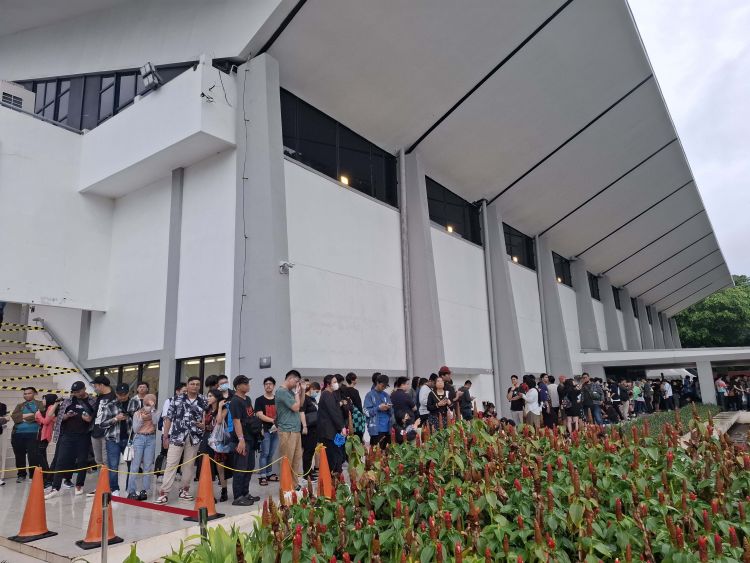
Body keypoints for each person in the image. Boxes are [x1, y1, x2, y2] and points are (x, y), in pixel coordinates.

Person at [156, 376, 207, 504]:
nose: (195, 386)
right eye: (192, 384)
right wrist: (165, 436)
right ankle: (164, 493)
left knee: (189, 466)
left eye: (197, 384)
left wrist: (204, 425)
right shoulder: (175, 399)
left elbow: (206, 416)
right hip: (177, 436)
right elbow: (168, 419)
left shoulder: (203, 400)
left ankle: (184, 490)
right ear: (187, 385)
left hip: (194, 437)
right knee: (171, 464)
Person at [45, 382, 96, 498]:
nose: (77, 394)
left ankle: (79, 484)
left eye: (79, 391)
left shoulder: (93, 401)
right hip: (67, 435)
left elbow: (96, 418)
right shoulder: (68, 401)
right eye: (74, 392)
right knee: (60, 461)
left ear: (84, 389)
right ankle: (55, 487)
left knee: (82, 461)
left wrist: (89, 419)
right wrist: (67, 416)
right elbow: (58, 418)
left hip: (84, 436)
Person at [228, 375, 261, 506]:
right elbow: (236, 421)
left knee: (249, 466)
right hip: (242, 440)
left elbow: (250, 417)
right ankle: (238, 496)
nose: (248, 385)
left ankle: (245, 493)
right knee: (240, 468)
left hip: (251, 438)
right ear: (238, 386)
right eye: (245, 383)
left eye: (248, 383)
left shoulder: (247, 399)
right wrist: (240, 440)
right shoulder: (235, 401)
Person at [95, 382, 132, 495]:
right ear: (116, 393)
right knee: (113, 465)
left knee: (131, 464)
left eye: (124, 394)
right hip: (112, 439)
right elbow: (102, 424)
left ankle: (129, 488)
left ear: (128, 393)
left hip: (129, 440)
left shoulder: (134, 403)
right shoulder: (110, 405)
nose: (122, 396)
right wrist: (115, 418)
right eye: (120, 394)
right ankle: (114, 488)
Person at [275, 370, 305, 488]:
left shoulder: (289, 392)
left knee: (296, 460)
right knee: (287, 460)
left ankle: (294, 484)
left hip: (295, 430)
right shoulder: (282, 392)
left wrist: (301, 392)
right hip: (287, 431)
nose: (296, 384)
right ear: (290, 379)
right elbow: (296, 407)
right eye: (296, 382)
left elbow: (301, 404)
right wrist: (297, 393)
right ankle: (286, 486)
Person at [127, 394, 159, 500]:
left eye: (152, 402)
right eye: (147, 403)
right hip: (139, 438)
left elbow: (155, 422)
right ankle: (131, 491)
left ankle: (144, 490)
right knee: (135, 466)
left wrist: (152, 411)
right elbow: (135, 429)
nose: (149, 405)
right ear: (144, 403)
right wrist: (142, 418)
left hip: (151, 438)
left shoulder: (156, 412)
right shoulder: (137, 413)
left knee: (148, 466)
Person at [200, 389, 229, 503]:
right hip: (207, 438)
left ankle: (224, 490)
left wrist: (220, 407)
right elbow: (204, 424)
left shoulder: (224, 409)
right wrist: (200, 425)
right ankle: (209, 493)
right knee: (207, 467)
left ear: (217, 397)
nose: (208, 398)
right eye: (208, 396)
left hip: (218, 439)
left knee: (220, 467)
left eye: (210, 396)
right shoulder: (206, 410)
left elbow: (219, 421)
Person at [10, 387, 43, 482]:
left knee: (33, 456)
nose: (26, 395)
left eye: (29, 393)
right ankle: (21, 474)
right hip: (17, 434)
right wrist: (30, 415)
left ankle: (33, 475)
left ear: (35, 393)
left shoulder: (40, 404)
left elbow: (40, 415)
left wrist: (24, 417)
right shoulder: (20, 405)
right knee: (19, 455)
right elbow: (14, 417)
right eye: (25, 393)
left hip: (33, 433)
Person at [317, 374, 346, 474]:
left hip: (333, 431)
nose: (336, 384)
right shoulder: (326, 394)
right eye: (334, 382)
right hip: (328, 432)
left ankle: (336, 476)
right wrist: (341, 426)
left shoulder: (331, 394)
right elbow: (333, 412)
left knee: (337, 454)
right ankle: (331, 478)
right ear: (328, 384)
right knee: (332, 456)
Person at [156, 382, 186, 477]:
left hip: (181, 433)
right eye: (183, 391)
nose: (185, 394)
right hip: (169, 432)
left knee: (180, 453)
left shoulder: (188, 403)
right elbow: (166, 417)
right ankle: (160, 473)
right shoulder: (169, 401)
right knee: (165, 452)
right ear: (177, 391)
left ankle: (177, 471)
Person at [255, 377, 279, 487]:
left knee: (271, 453)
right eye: (266, 384)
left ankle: (269, 474)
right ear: (264, 386)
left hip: (276, 430)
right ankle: (263, 475)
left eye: (270, 384)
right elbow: (260, 415)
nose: (268, 385)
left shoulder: (277, 399)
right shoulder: (259, 400)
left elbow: (282, 413)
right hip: (264, 430)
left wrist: (278, 423)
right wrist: (273, 421)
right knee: (264, 453)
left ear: (274, 386)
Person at [35, 393, 57, 490]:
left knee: (39, 455)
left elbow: (45, 421)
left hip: (45, 436)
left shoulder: (51, 407)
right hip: (41, 434)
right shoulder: (48, 408)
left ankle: (48, 477)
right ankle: (46, 478)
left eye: (44, 399)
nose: (42, 401)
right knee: (42, 455)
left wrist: (38, 415)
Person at [90, 376, 113, 471]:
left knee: (106, 460)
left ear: (102, 385)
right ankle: (101, 483)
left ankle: (107, 484)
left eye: (96, 386)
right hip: (95, 432)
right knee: (98, 460)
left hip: (107, 433)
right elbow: (96, 414)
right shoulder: (99, 397)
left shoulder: (114, 397)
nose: (95, 388)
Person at [364, 373, 393, 448]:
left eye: (385, 386)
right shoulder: (370, 395)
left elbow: (392, 412)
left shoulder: (386, 395)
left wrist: (389, 408)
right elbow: (366, 412)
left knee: (386, 452)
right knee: (375, 454)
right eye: (382, 386)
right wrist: (378, 408)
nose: (384, 388)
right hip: (375, 429)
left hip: (387, 428)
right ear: (377, 383)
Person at [301, 382, 320, 481]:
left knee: (312, 450)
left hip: (314, 428)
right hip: (308, 428)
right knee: (308, 451)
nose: (316, 393)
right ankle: (306, 473)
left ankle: (310, 470)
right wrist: (304, 426)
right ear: (311, 388)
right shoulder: (305, 398)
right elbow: (302, 412)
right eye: (316, 391)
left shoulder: (313, 399)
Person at [343, 372, 365, 441]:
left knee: (348, 437)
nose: (357, 380)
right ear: (352, 380)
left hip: (346, 417)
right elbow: (359, 405)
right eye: (356, 379)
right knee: (357, 437)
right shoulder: (355, 391)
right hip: (355, 417)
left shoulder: (343, 391)